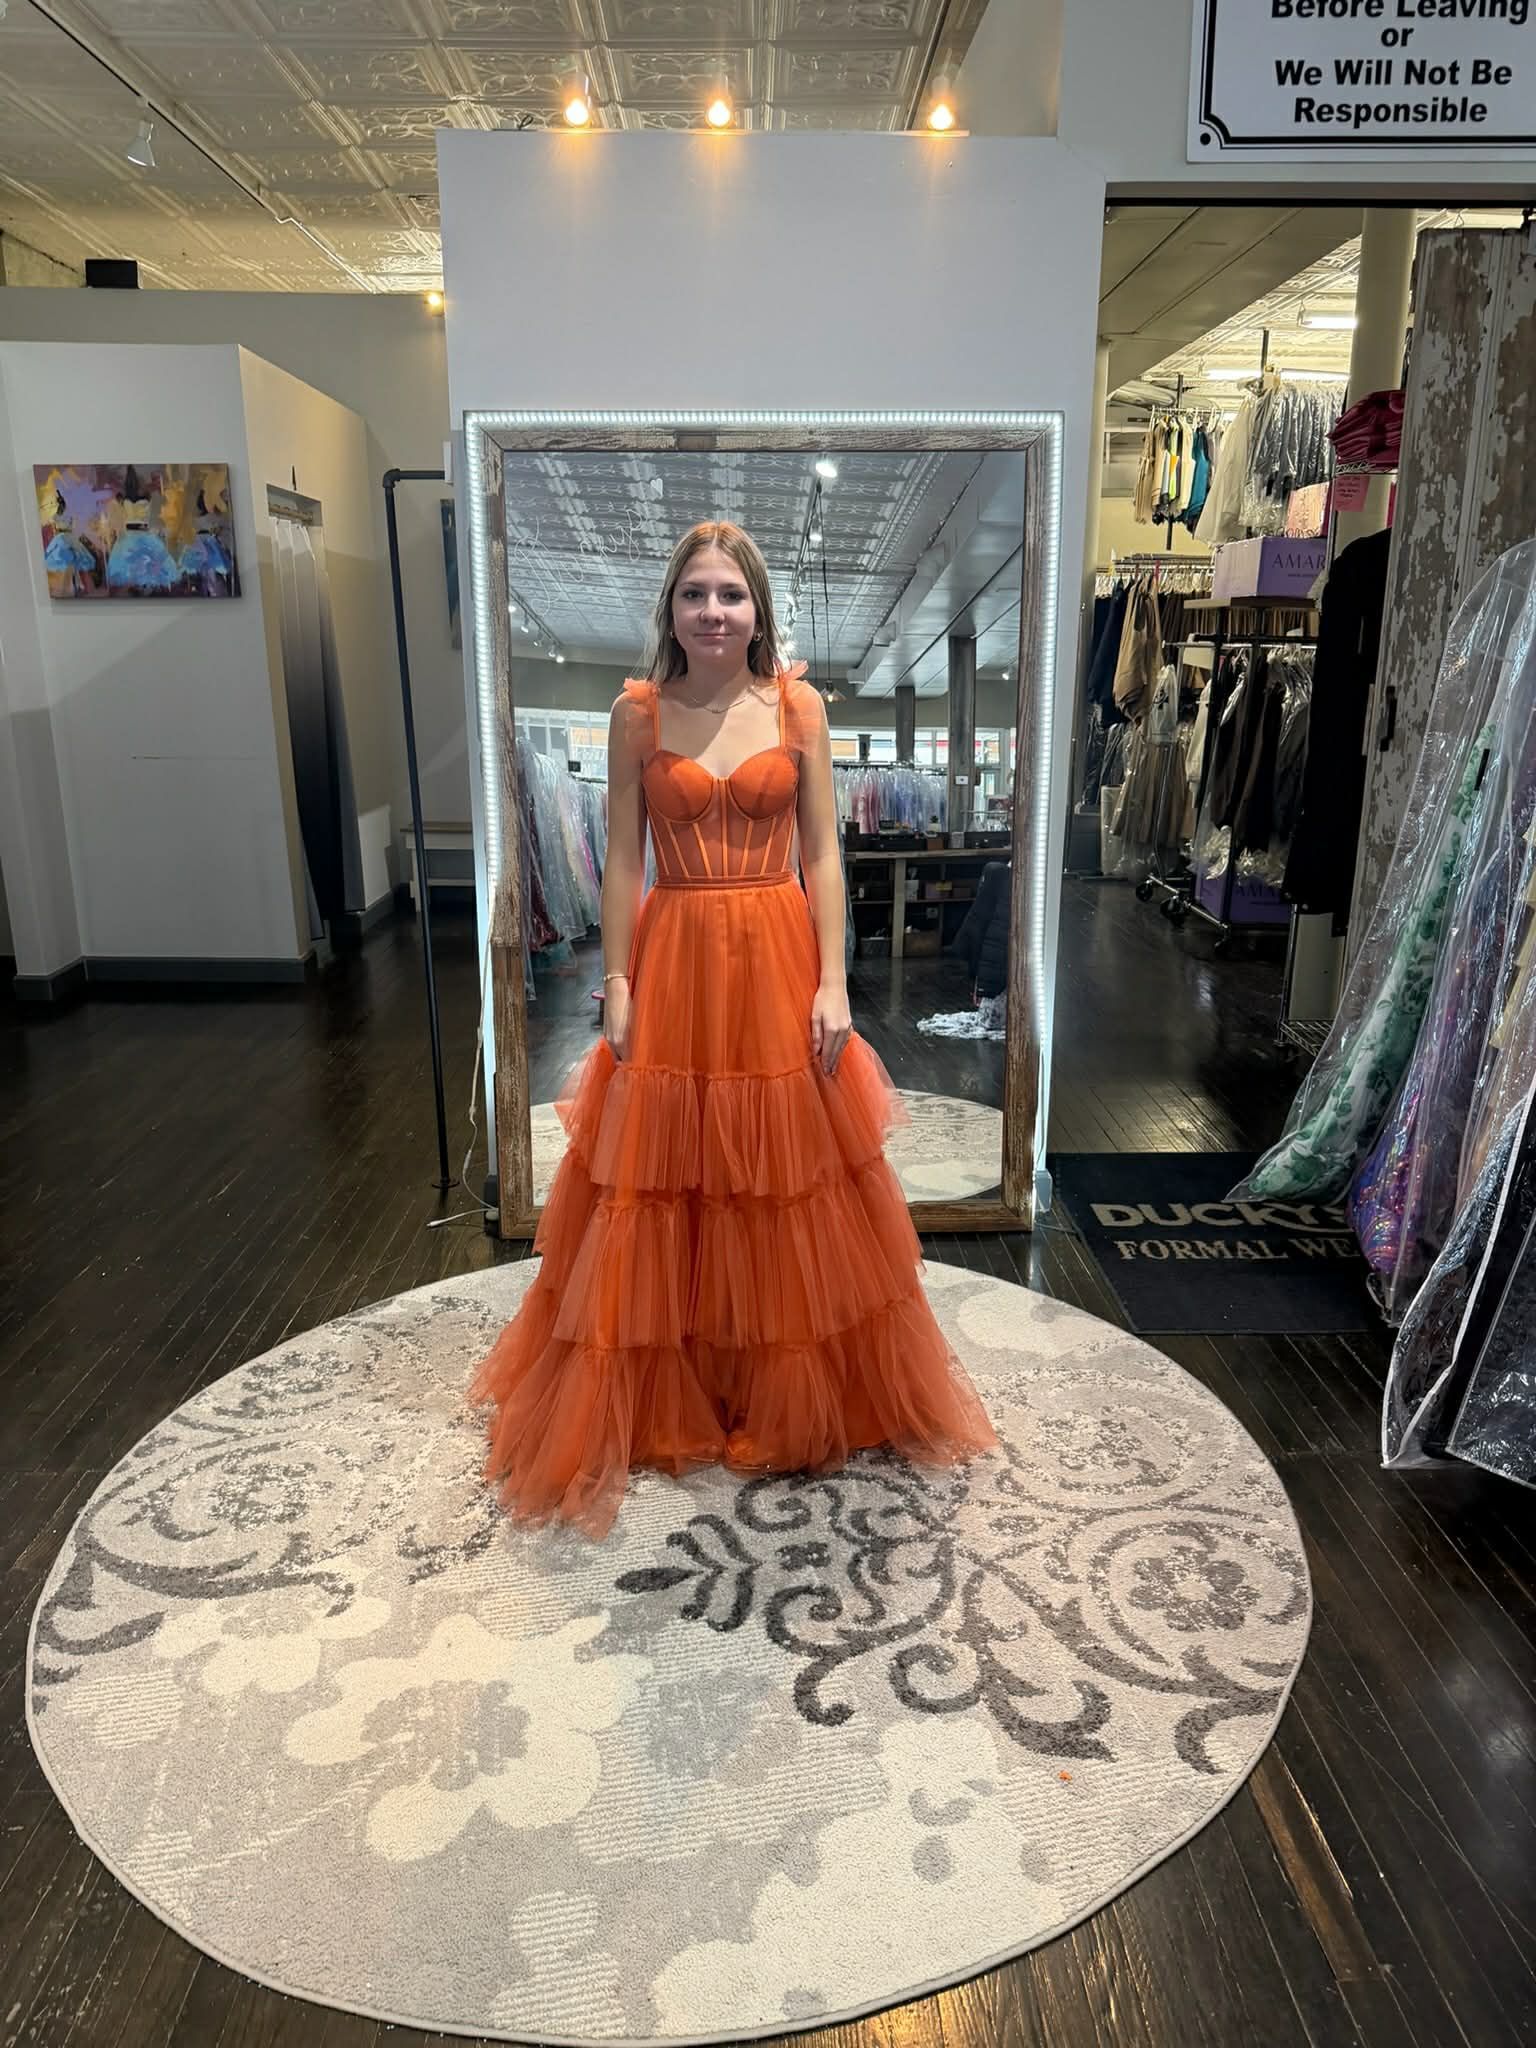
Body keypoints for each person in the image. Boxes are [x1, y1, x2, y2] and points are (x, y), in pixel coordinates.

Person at [468, 521, 998, 1538]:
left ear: (759, 608)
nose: (714, 611)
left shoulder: (798, 707)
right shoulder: (637, 714)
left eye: (732, 594)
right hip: (675, 954)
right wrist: (616, 977)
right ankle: (678, 1381)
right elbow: (621, 857)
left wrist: (835, 983)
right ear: (670, 609)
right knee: (666, 1176)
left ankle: (774, 1384)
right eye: (695, 594)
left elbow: (828, 855)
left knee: (782, 1175)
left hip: (774, 944)